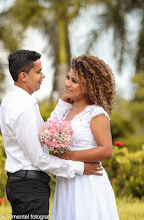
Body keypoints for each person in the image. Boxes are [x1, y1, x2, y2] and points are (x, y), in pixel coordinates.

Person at [0, 50, 103, 217]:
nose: (43, 76)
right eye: (38, 72)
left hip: (26, 185)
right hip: (29, 187)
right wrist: (80, 167)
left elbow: (40, 136)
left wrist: (61, 106)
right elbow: (39, 158)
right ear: (23, 76)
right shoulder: (21, 107)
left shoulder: (15, 100)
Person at [50, 54, 119, 220]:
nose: (67, 83)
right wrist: (62, 103)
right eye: (68, 78)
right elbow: (48, 130)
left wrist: (70, 156)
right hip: (67, 181)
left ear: (89, 86)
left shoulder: (96, 113)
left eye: (74, 81)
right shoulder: (67, 109)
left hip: (87, 183)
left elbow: (106, 150)